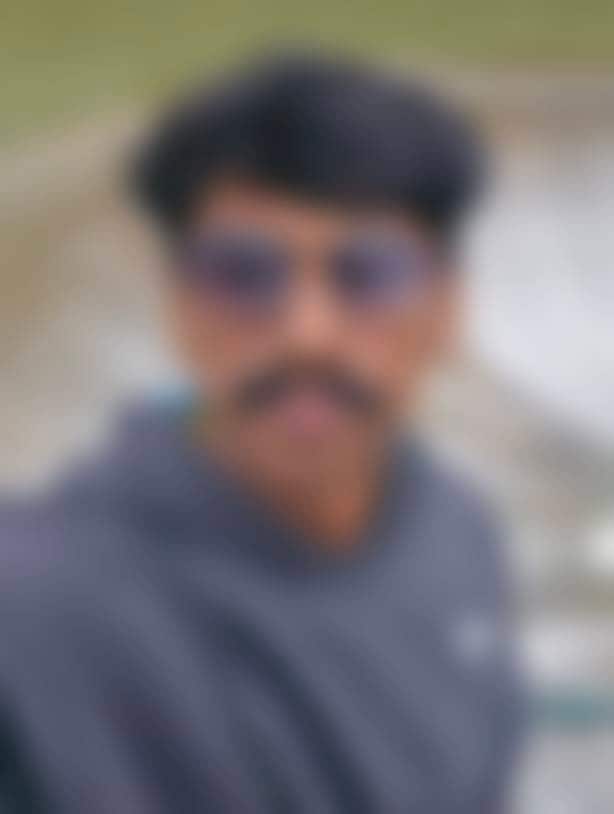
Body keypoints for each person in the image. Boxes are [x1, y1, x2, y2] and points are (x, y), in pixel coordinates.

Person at [0, 53, 524, 813]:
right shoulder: (35, 610)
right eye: (244, 273)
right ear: (177, 304)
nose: (307, 333)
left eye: (370, 273)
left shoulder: (457, 529)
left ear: (448, 309)